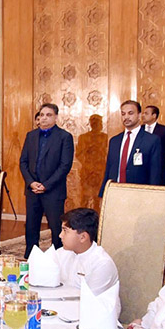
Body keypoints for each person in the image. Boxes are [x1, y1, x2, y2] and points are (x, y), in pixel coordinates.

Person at [19, 103, 75, 258]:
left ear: (56, 118)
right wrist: (31, 183)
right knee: (31, 226)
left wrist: (46, 185)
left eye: (48, 115)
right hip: (32, 189)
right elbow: (23, 162)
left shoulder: (64, 137)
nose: (44, 118)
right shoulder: (31, 136)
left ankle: (59, 257)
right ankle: (31, 256)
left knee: (56, 227)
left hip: (53, 190)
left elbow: (65, 166)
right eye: (42, 115)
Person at [53, 208, 120, 314]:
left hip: (95, 317)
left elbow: (90, 302)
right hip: (65, 309)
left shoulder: (101, 263)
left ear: (83, 237)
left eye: (65, 231)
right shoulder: (62, 253)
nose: (60, 235)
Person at [100, 100, 164, 196]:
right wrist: (103, 194)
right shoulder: (114, 141)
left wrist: (153, 196)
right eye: (123, 114)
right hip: (115, 193)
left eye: (130, 113)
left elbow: (155, 173)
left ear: (139, 115)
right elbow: (109, 169)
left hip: (139, 194)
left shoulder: (152, 140)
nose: (126, 117)